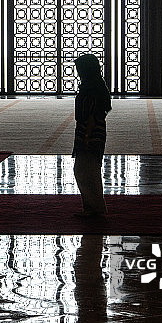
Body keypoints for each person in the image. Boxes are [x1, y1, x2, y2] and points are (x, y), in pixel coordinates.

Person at [72, 54, 112, 216]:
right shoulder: (93, 86)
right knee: (86, 170)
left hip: (91, 134)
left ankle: (96, 208)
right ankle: (91, 207)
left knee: (86, 170)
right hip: (89, 133)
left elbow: (92, 115)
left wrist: (87, 137)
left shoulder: (92, 89)